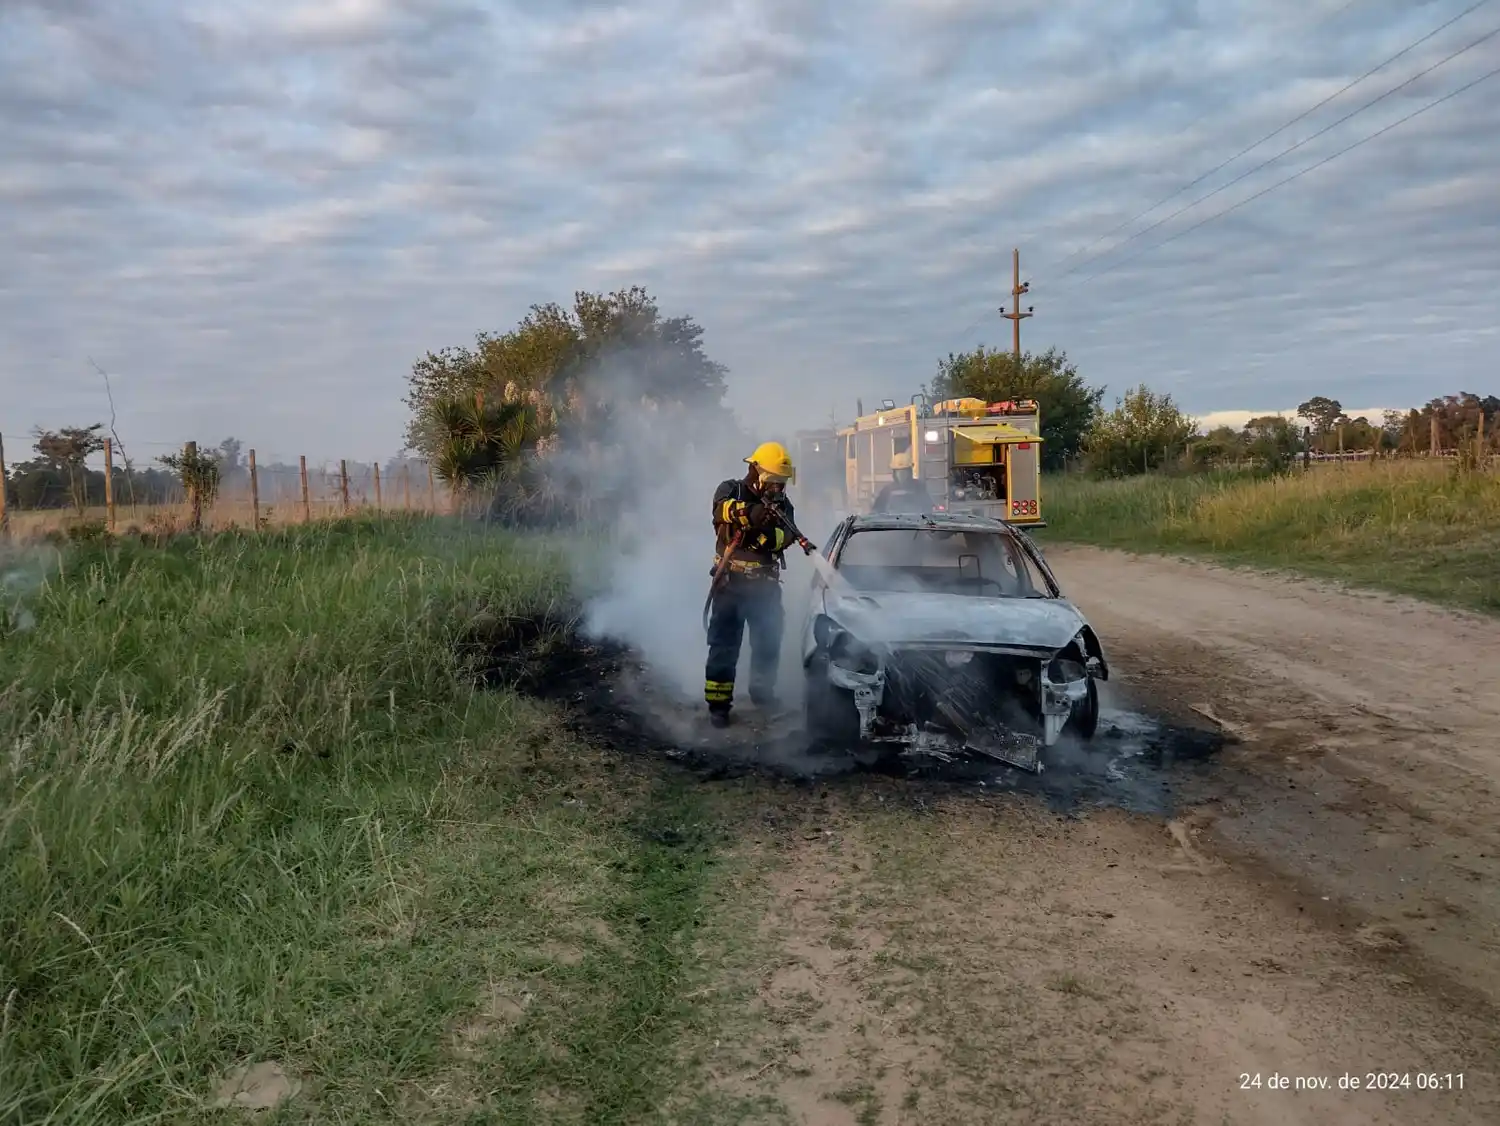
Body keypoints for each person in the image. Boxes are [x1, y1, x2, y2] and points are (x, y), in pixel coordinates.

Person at [704, 441, 798, 727]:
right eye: (773, 482)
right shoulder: (730, 490)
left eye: (782, 484)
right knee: (724, 645)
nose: (778, 489)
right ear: (755, 470)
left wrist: (768, 535)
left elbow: (788, 536)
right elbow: (722, 511)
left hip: (765, 587)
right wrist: (751, 515)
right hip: (730, 584)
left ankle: (762, 694)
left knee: (768, 642)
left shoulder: (782, 505)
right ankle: (719, 706)